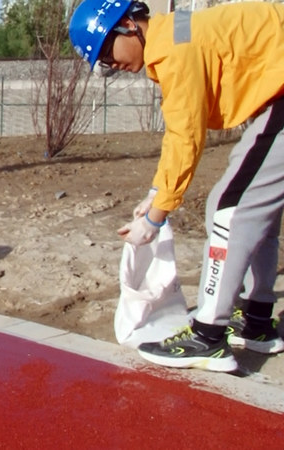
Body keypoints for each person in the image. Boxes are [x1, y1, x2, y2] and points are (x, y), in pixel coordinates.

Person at [69, 1, 284, 372]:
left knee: (228, 209)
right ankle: (256, 319)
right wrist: (157, 193)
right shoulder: (174, 34)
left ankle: (208, 336)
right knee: (252, 207)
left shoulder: (175, 49)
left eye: (106, 52)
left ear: (128, 25)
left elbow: (187, 137)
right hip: (276, 96)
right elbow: (180, 128)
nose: (110, 64)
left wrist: (155, 218)